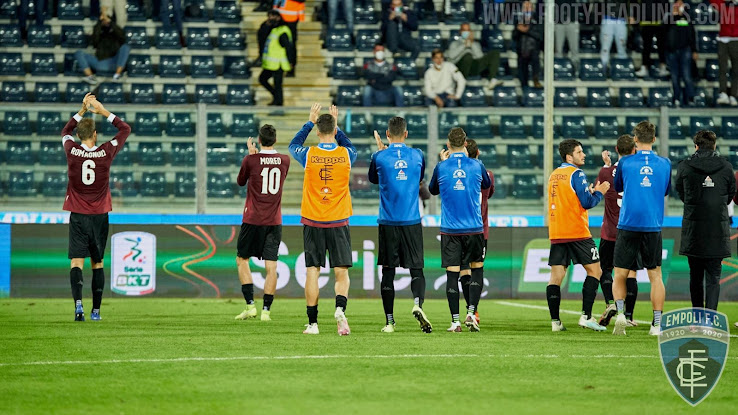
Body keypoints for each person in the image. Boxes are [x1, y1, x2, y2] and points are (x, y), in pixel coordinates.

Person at [62, 93, 132, 321]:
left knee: (76, 262)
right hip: (99, 215)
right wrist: (102, 111)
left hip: (78, 215)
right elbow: (125, 129)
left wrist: (82, 110)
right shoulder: (106, 151)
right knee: (98, 262)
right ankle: (96, 311)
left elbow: (65, 131)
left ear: (78, 136)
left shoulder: (71, 150)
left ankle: (78, 306)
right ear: (95, 134)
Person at [289, 104, 357, 335]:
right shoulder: (346, 154)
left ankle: (313, 324)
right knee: (341, 272)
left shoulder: (309, 154)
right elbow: (349, 145)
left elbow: (293, 145)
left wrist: (309, 122)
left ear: (317, 131)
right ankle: (339, 309)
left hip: (313, 220)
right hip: (338, 220)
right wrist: (337, 128)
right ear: (335, 130)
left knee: (312, 271)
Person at [369, 117, 432, 333]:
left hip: (388, 222)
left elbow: (374, 179)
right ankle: (417, 304)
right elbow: (419, 178)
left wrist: (381, 152)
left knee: (388, 272)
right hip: (412, 220)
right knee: (417, 269)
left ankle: (389, 321)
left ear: (387, 134)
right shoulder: (417, 155)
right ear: (406, 134)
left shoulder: (379, 157)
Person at [612, 121, 672, 336]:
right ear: (654, 139)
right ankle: (656, 325)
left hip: (628, 222)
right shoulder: (665, 163)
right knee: (655, 275)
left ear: (635, 139)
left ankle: (621, 314)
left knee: (620, 273)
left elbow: (618, 187)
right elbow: (665, 190)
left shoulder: (625, 162)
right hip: (652, 224)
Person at [429, 127, 492, 332]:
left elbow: (432, 190)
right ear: (465, 144)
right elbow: (486, 184)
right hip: (474, 228)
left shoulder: (441, 167)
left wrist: (443, 162)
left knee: (452, 274)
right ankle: (471, 313)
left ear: (448, 145)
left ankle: (455, 322)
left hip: (450, 229)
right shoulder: (477, 165)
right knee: (477, 269)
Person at [546, 139, 610, 332]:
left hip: (557, 231)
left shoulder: (554, 175)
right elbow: (587, 202)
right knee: (595, 271)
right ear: (569, 157)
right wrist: (599, 192)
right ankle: (586, 317)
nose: (583, 155)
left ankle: (555, 322)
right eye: (579, 152)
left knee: (556, 277)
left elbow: (570, 198)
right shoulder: (577, 173)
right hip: (577, 231)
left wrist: (589, 193)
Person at [234, 125, 291, 321]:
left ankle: (250, 306)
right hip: (274, 221)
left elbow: (241, 181)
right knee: (271, 266)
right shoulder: (285, 160)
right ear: (275, 140)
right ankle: (266, 311)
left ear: (259, 140)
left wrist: (252, 157)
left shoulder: (250, 160)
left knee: (242, 259)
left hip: (252, 219)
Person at [675, 130, 735, 311]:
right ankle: (711, 318)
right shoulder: (726, 167)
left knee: (695, 276)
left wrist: (695, 204)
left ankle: (697, 316)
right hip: (717, 228)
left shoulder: (685, 166)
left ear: (696, 146)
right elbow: (730, 195)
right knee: (713, 277)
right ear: (714, 145)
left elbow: (681, 192)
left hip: (693, 229)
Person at [596, 135, 641, 328]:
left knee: (604, 270)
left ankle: (610, 303)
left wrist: (606, 166)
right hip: (631, 230)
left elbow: (597, 189)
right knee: (630, 274)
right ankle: (628, 316)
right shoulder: (638, 171)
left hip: (609, 231)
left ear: (616, 149)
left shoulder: (605, 172)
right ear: (634, 150)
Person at [458, 139, 494, 325]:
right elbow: (489, 193)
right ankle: (473, 311)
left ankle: (471, 310)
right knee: (477, 267)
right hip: (480, 229)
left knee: (464, 270)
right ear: (478, 153)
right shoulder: (487, 174)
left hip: (459, 228)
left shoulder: (459, 173)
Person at [74, 11, 130, 85]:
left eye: (107, 20)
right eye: (104, 21)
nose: (105, 22)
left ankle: (117, 75)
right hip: (100, 63)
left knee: (126, 47)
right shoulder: (99, 35)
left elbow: (122, 36)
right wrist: (100, 22)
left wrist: (111, 22)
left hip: (114, 62)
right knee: (79, 53)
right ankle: (90, 77)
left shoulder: (116, 34)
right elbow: (94, 40)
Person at [445, 22, 503, 90]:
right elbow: (451, 56)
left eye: (468, 30)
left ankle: (492, 80)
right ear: (460, 32)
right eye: (464, 30)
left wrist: (471, 43)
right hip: (460, 68)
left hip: (473, 67)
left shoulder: (475, 44)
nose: (466, 32)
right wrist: (464, 45)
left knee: (495, 53)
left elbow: (480, 57)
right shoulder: (455, 43)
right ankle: (461, 82)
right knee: (468, 56)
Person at [664, 0, 697, 107]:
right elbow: (663, 31)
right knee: (674, 77)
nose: (678, 6)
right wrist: (673, 16)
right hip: (672, 51)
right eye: (677, 4)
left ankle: (690, 98)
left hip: (685, 50)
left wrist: (694, 50)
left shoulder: (688, 17)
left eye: (680, 4)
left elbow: (692, 34)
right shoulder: (669, 18)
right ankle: (677, 98)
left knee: (687, 76)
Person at [259, 10, 295, 106]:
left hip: (278, 62)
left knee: (277, 84)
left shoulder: (282, 31)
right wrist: (266, 25)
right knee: (263, 79)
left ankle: (278, 101)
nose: (271, 18)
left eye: (273, 16)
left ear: (279, 17)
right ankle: (276, 97)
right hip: (271, 63)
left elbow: (288, 47)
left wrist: (291, 61)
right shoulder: (273, 29)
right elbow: (261, 36)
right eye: (269, 16)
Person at [710, 0, 738, 107]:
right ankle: (723, 93)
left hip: (736, 39)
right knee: (722, 68)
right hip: (723, 39)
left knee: (736, 70)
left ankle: (733, 95)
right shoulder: (723, 5)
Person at [635, 0, 670, 78]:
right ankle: (644, 68)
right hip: (646, 22)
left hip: (659, 23)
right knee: (646, 47)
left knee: (661, 46)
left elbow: (666, 6)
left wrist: (664, 21)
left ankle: (663, 68)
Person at [513, 0, 543, 88]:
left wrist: (527, 30)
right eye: (525, 7)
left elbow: (540, 35)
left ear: (532, 9)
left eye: (528, 7)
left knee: (535, 65)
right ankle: (524, 87)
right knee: (523, 75)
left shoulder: (538, 20)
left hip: (534, 49)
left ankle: (536, 80)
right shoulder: (518, 20)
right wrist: (518, 29)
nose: (526, 9)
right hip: (522, 50)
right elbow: (514, 36)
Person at [274, 0, 305, 75]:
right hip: (279, 20)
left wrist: (301, 18)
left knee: (290, 46)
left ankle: (291, 67)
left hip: (291, 21)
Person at [599, 0, 630, 69]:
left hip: (621, 20)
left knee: (622, 47)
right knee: (605, 48)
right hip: (607, 19)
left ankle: (622, 69)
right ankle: (603, 69)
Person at [554, 0, 580, 67]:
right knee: (558, 49)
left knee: (574, 49)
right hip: (559, 22)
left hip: (572, 21)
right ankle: (558, 67)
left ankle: (576, 68)